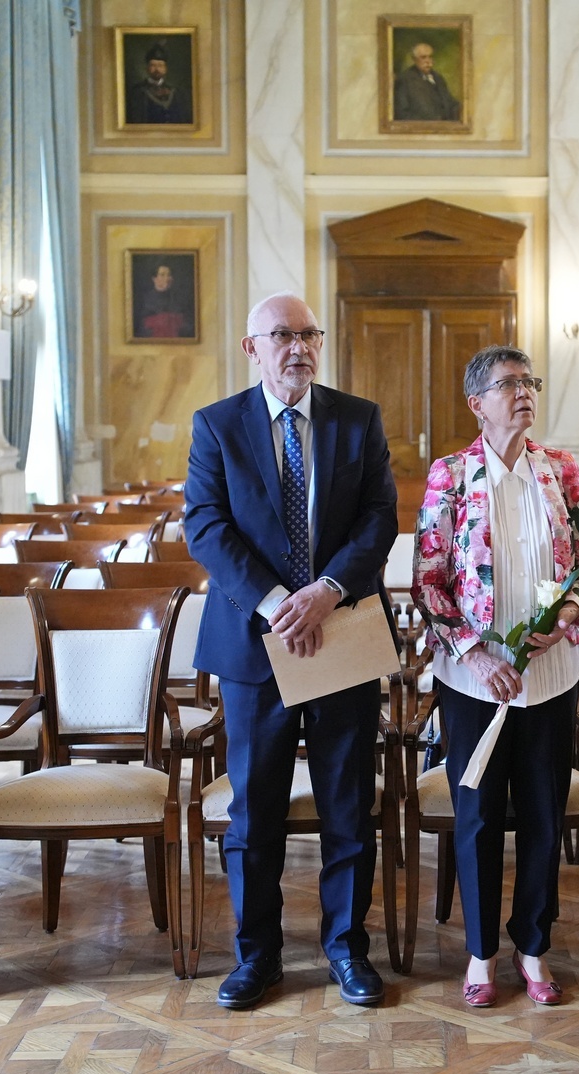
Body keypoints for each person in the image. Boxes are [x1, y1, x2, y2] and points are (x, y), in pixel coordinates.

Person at [184, 292, 398, 1010]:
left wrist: (326, 591)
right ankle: (258, 956)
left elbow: (380, 518)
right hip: (255, 643)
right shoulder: (217, 425)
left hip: (342, 632)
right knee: (255, 813)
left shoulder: (357, 418)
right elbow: (206, 526)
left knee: (348, 804)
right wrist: (280, 602)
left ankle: (347, 949)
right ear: (253, 348)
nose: (299, 347)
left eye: (309, 334)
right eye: (282, 335)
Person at [411, 345, 579, 1008]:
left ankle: (534, 947)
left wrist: (569, 614)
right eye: (508, 384)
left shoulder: (561, 471)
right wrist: (476, 654)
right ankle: (480, 953)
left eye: (530, 382)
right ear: (477, 402)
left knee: (545, 815)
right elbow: (428, 581)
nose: (524, 392)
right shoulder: (451, 475)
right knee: (479, 817)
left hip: (550, 674)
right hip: (474, 680)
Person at [126, 40, 192, 125]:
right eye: (153, 65)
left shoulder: (176, 91)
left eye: (160, 65)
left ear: (165, 69)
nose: (157, 69)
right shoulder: (137, 92)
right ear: (147, 68)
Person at [392, 41, 461, 122]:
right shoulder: (404, 79)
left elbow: (450, 103)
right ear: (414, 59)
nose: (428, 61)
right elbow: (401, 113)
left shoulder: (438, 78)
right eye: (423, 57)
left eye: (430, 57)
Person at [136, 263, 193, 339]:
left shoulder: (180, 299)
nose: (167, 278)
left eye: (169, 275)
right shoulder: (145, 300)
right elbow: (141, 328)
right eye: (162, 275)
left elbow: (188, 326)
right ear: (154, 279)